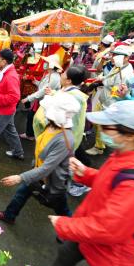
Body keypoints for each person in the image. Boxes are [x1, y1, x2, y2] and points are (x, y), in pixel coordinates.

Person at [27, 101, 134, 266]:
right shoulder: (131, 154)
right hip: (93, 232)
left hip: (117, 257)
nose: (102, 130)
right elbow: (115, 181)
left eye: (107, 127)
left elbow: (107, 229)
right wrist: (87, 173)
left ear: (130, 135)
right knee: (66, 254)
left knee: (68, 253)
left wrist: (64, 224)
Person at [0, 93, 81, 225]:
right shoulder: (51, 126)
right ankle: (9, 215)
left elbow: (47, 168)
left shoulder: (64, 139)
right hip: (37, 174)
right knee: (21, 193)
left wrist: (20, 177)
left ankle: (73, 233)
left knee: (62, 210)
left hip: (53, 182)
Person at [33, 66, 90, 196]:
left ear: (69, 80)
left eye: (64, 73)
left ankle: (72, 186)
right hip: (61, 135)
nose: (61, 74)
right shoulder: (68, 92)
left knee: (62, 164)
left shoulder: (74, 97)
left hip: (62, 135)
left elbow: (64, 117)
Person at [86, 45, 134, 156]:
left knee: (101, 125)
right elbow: (108, 77)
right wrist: (102, 78)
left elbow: (115, 93)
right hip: (105, 98)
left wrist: (107, 106)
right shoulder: (118, 66)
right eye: (113, 54)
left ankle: (99, 147)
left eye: (117, 55)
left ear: (126, 57)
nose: (113, 57)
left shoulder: (125, 74)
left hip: (110, 103)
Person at [20, 54, 62, 141]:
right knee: (32, 116)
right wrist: (35, 81)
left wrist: (28, 98)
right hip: (42, 101)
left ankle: (33, 135)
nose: (44, 63)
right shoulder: (48, 74)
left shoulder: (54, 77)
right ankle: (31, 134)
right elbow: (42, 86)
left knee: (35, 117)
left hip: (46, 102)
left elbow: (42, 91)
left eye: (47, 62)